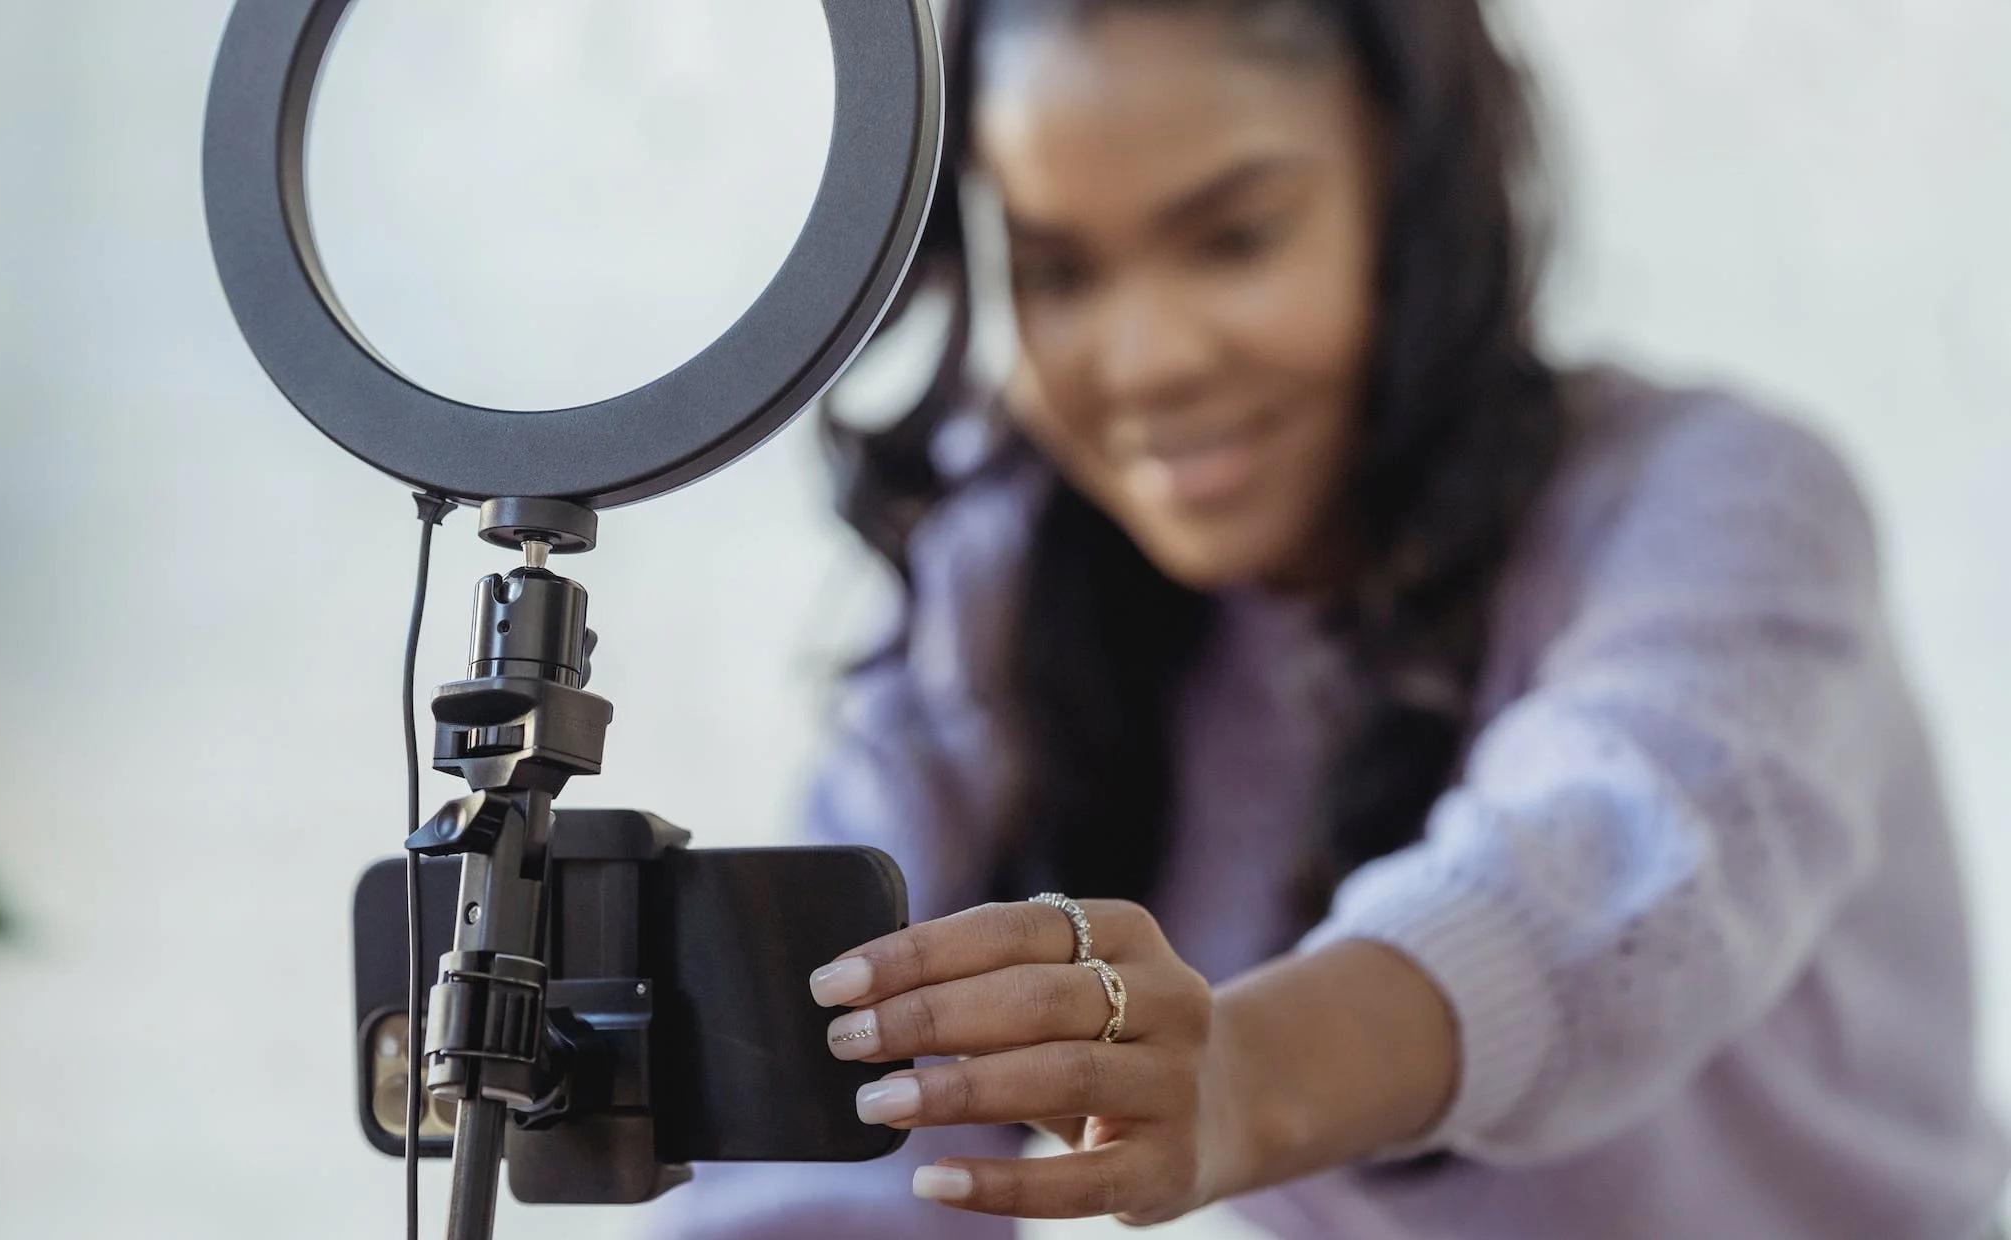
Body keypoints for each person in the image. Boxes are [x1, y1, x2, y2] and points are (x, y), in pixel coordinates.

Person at [638, 1, 2007, 1236]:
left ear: (1411, 203)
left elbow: (1605, 865)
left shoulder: (1719, 503)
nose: (1149, 361)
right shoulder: (999, 590)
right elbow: (814, 1153)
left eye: (1234, 237)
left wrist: (1243, 1075)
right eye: (1057, 272)